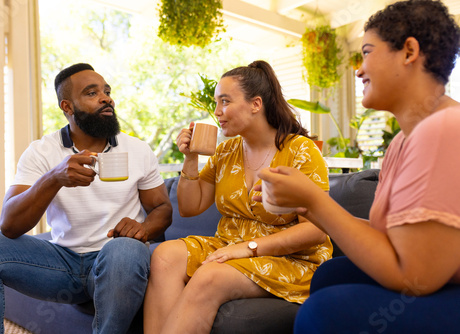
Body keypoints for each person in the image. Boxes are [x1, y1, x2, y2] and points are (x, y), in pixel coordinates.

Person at [254, 1, 460, 333]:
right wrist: (305, 203)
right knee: (331, 274)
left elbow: (417, 277)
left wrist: (317, 200)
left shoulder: (446, 128)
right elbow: (393, 236)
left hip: (433, 280)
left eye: (366, 52)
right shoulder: (401, 142)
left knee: (323, 313)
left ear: (409, 51)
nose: (358, 69)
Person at [0, 63, 172, 333]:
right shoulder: (41, 152)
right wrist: (54, 178)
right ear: (67, 107)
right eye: (92, 93)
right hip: (60, 264)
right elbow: (10, 225)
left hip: (116, 262)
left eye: (106, 91)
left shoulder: (138, 150)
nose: (106, 97)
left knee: (125, 248)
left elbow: (163, 209)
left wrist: (142, 228)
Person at [143, 60, 332, 333]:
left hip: (291, 257)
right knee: (164, 255)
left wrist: (246, 248)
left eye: (225, 102)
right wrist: (191, 158)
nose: (217, 112)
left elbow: (315, 230)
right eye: (217, 103)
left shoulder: (301, 150)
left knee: (210, 276)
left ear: (256, 104)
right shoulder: (226, 150)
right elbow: (188, 207)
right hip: (229, 245)